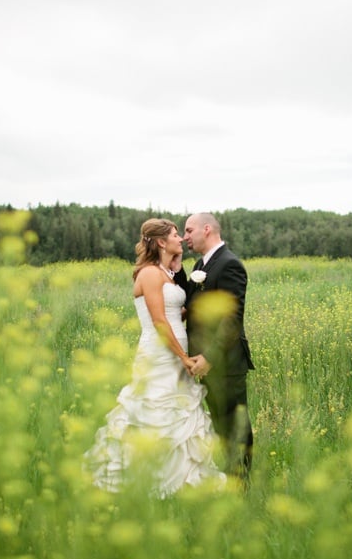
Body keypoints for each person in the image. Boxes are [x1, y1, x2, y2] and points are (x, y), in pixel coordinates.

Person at [84, 218, 226, 497]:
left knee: (178, 415)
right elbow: (160, 322)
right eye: (176, 235)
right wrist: (184, 358)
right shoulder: (149, 274)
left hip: (173, 352)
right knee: (154, 414)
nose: (181, 239)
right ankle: (146, 479)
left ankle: (181, 481)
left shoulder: (167, 273)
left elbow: (175, 314)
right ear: (161, 241)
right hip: (159, 354)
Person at [177, 212, 254, 484]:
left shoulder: (230, 265)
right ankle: (229, 483)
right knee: (221, 430)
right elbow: (189, 301)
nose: (184, 236)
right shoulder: (201, 264)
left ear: (206, 229)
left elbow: (231, 319)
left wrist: (209, 357)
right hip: (205, 363)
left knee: (235, 429)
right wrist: (176, 265)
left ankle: (242, 487)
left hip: (226, 364)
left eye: (188, 230)